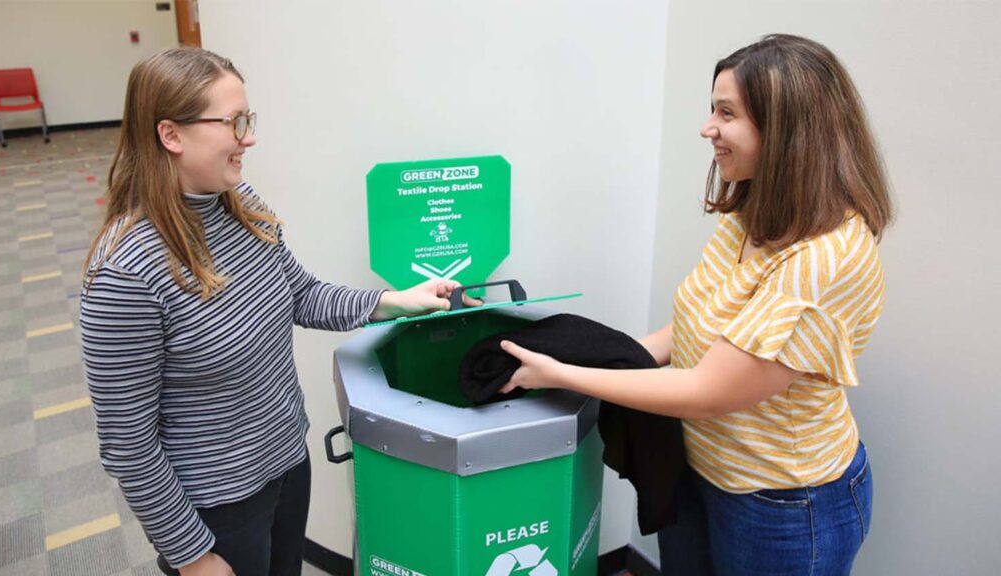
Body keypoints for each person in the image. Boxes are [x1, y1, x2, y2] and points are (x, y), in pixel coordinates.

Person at [499, 34, 892, 576]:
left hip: (782, 505)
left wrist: (560, 373)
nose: (708, 128)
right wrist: (594, 356)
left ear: (786, 131)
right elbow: (691, 330)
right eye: (713, 110)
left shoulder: (827, 257)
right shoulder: (752, 215)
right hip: (699, 471)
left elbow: (709, 392)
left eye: (725, 113)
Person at [80, 47, 468, 576]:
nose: (250, 137)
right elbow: (128, 446)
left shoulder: (237, 201)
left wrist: (388, 302)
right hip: (214, 507)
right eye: (234, 122)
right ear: (171, 135)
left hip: (285, 463)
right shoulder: (125, 273)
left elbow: (299, 294)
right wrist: (191, 555)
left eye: (249, 119)